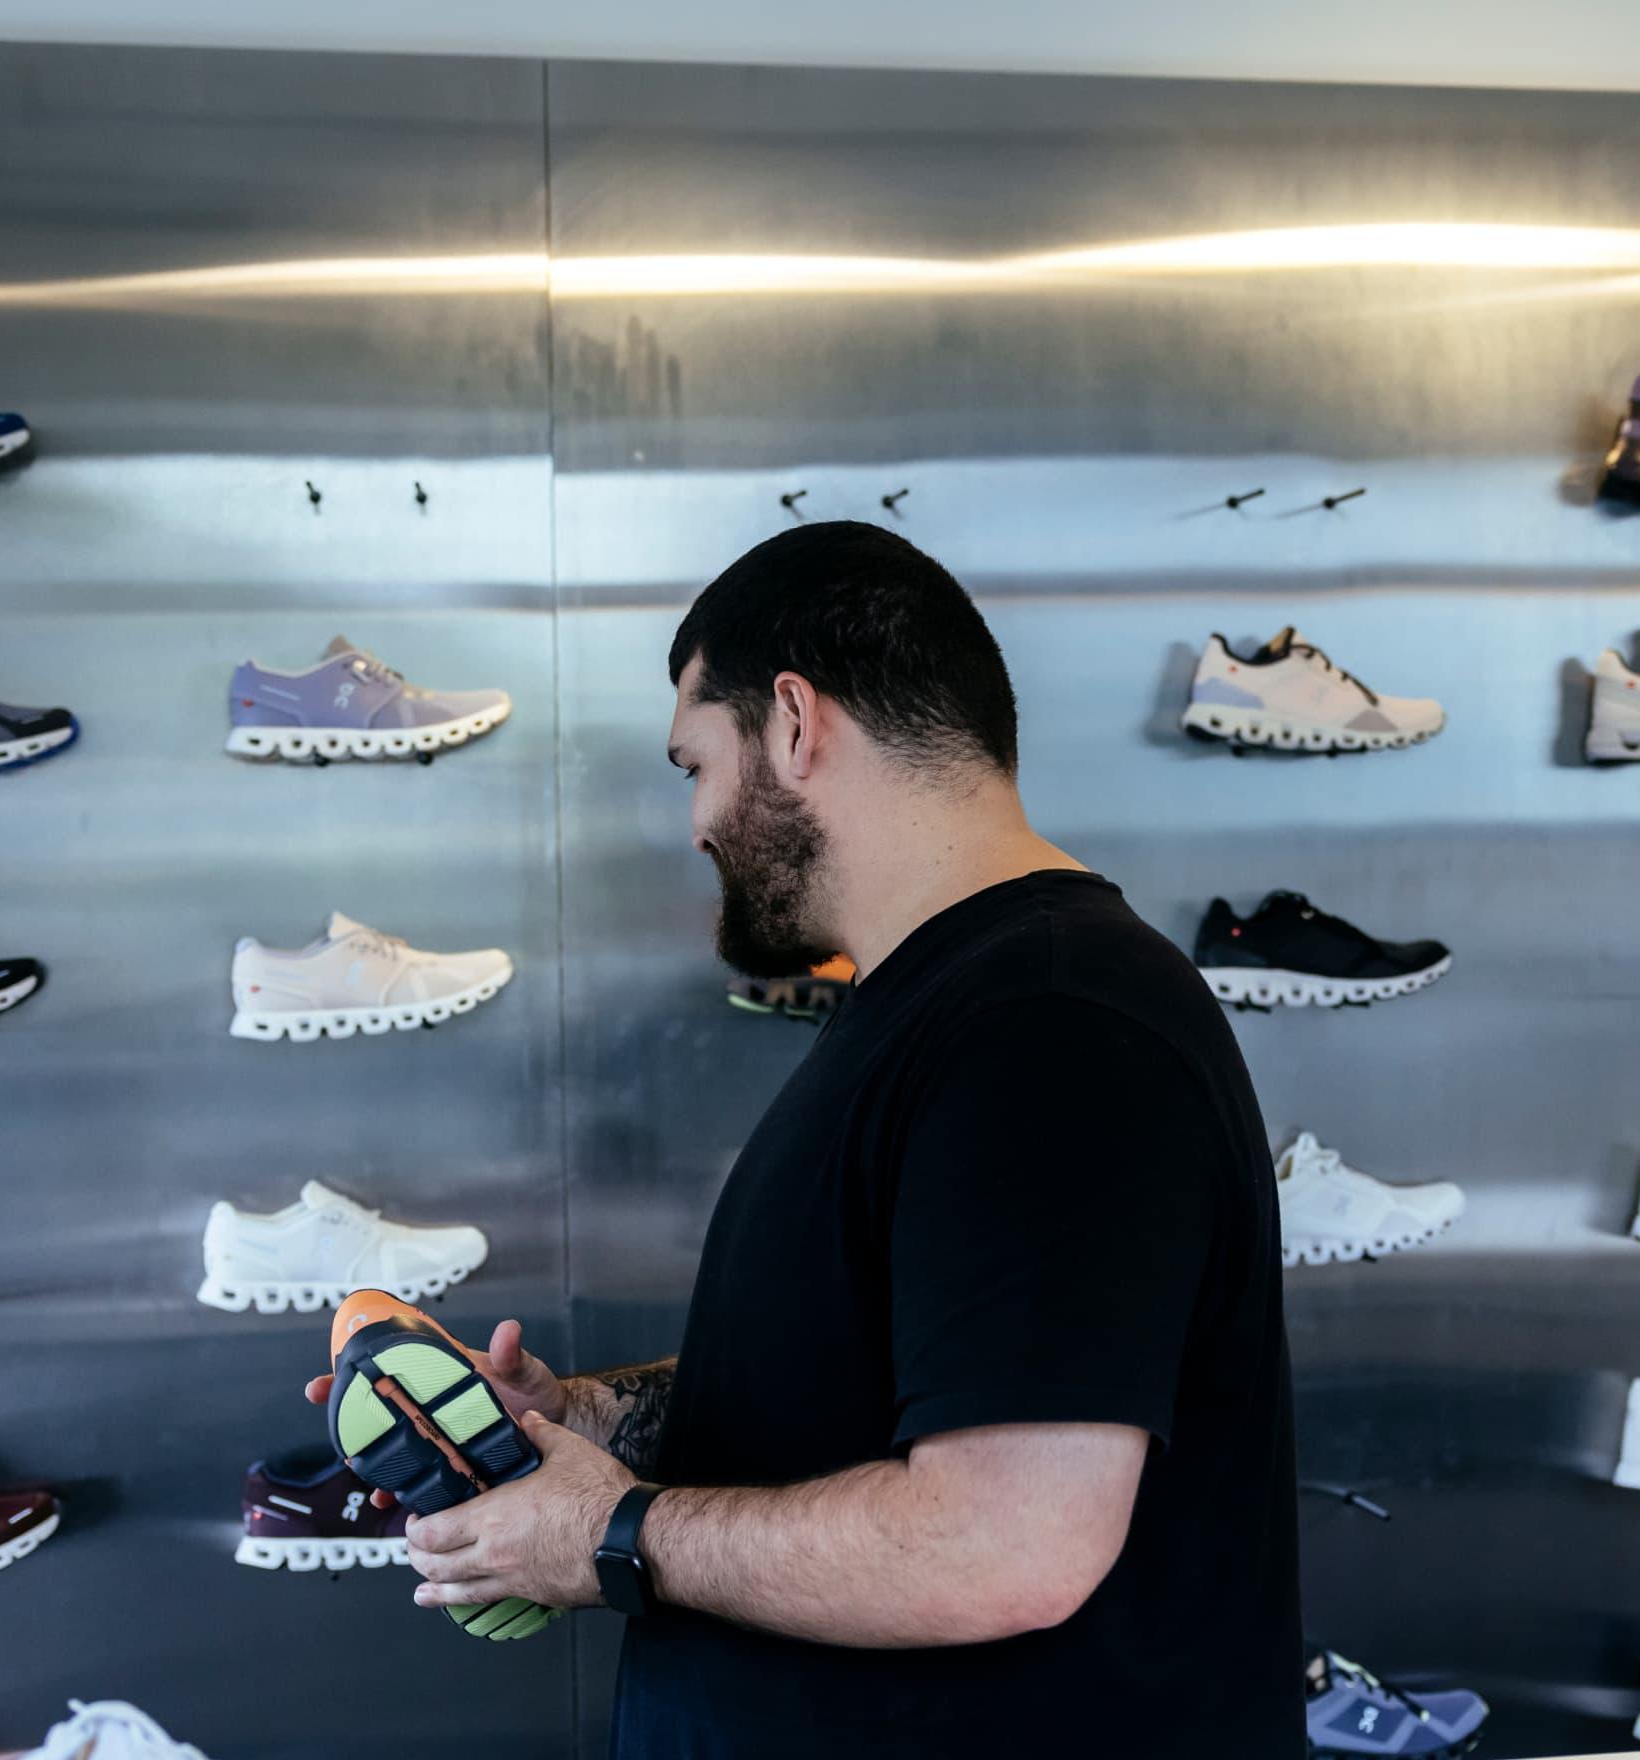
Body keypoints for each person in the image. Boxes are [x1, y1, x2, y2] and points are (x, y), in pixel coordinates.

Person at [308, 521, 1298, 1756]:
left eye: (693, 764)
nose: (695, 823)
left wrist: (605, 1537)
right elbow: (874, 1374)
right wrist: (581, 1415)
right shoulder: (944, 1006)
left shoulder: (1050, 1018)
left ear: (791, 721)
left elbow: (1003, 1542)